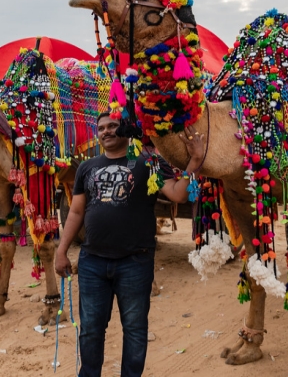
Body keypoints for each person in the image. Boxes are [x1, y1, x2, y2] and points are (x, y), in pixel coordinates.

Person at [55, 112, 205, 377]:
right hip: (92, 263)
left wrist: (194, 160)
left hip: (135, 262)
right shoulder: (86, 168)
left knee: (135, 330)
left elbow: (178, 194)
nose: (106, 131)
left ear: (125, 129)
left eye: (113, 126)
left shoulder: (151, 163)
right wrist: (61, 250)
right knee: (90, 330)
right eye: (101, 128)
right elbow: (76, 212)